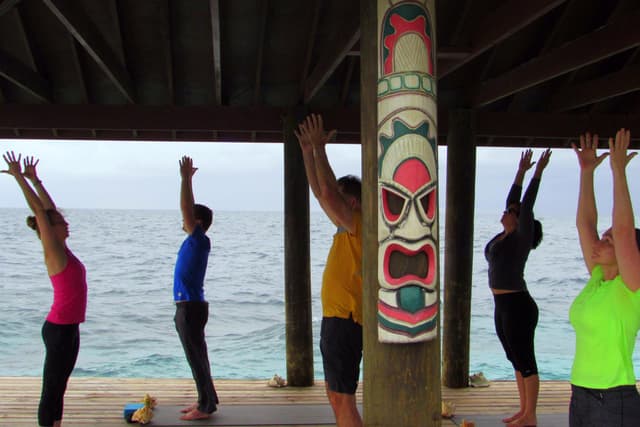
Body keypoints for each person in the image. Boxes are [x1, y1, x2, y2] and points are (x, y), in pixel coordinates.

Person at [2, 152, 87, 427]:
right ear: (51, 230)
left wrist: (36, 180)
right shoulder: (54, 252)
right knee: (51, 389)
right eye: (62, 222)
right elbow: (42, 213)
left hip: (70, 327)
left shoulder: (64, 250)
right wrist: (18, 178)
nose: (67, 223)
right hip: (59, 328)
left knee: (60, 385)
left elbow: (48, 210)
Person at [295, 113, 363, 427]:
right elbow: (321, 193)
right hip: (336, 318)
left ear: (354, 202)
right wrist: (308, 152)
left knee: (342, 396)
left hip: (346, 320)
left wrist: (320, 149)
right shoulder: (344, 226)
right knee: (334, 394)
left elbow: (327, 195)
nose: (329, 199)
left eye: (339, 195)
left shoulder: (358, 223)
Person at [570, 129, 640, 426]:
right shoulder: (598, 280)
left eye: (608, 241)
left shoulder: (631, 287)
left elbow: (624, 230)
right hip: (581, 395)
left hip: (613, 400)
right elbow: (585, 224)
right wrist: (587, 173)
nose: (600, 241)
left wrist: (618, 171)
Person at [484, 148, 551, 427]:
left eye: (512, 211)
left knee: (525, 359)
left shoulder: (520, 238)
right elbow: (513, 200)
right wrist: (520, 171)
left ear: (521, 219)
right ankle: (523, 411)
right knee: (514, 358)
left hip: (518, 305)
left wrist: (536, 173)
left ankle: (531, 415)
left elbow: (525, 203)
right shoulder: (504, 235)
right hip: (502, 305)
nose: (507, 210)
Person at [173, 155, 219, 421]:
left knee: (196, 357)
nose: (183, 220)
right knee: (198, 356)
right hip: (190, 306)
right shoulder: (195, 242)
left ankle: (206, 406)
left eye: (189, 218)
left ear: (198, 222)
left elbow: (186, 209)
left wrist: (186, 180)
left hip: (190, 307)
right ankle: (207, 400)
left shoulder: (199, 239)